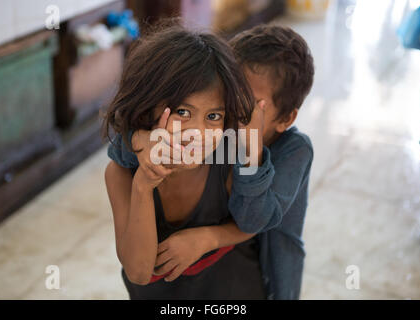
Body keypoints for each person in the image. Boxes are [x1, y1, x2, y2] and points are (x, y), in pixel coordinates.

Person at [110, 24, 315, 300]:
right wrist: (142, 142)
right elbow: (120, 152)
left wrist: (208, 238)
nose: (236, 110)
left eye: (249, 104)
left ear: (285, 118)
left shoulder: (271, 152)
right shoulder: (219, 141)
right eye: (183, 111)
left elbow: (254, 221)